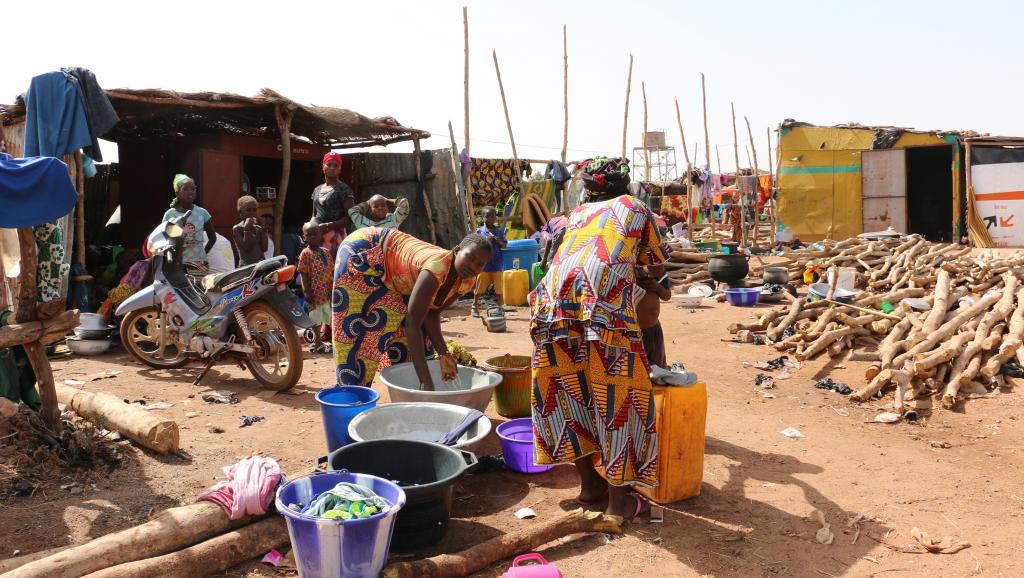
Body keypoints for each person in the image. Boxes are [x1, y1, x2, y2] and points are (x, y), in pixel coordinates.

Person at [529, 191, 669, 520]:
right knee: (620, 398)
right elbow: (656, 263)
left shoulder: (577, 213)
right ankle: (618, 504)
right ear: (626, 187)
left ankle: (591, 486)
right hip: (604, 308)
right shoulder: (635, 207)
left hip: (552, 305)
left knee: (569, 393)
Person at [331, 228, 491, 389]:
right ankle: (352, 396)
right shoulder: (435, 268)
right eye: (469, 257)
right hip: (367, 251)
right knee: (358, 331)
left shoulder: (466, 281)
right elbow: (412, 323)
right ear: (457, 251)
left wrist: (444, 354)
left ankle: (409, 388)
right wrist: (426, 382)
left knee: (412, 339)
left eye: (479, 264)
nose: (472, 266)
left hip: (396, 272)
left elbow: (432, 312)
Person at [163, 174, 216, 272]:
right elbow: (165, 239)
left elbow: (213, 238)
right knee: (180, 287)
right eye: (186, 189)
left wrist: (202, 254)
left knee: (199, 287)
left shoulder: (202, 212)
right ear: (177, 193)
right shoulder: (170, 214)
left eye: (193, 189)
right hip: (177, 263)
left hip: (199, 263)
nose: (190, 192)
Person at [297, 222, 334, 354]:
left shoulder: (325, 251)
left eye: (315, 234)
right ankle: (317, 342)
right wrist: (306, 291)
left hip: (327, 291)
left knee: (326, 315)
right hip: (315, 292)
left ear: (321, 235)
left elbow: (331, 270)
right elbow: (303, 273)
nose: (312, 236)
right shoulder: (305, 253)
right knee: (316, 318)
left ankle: (327, 341)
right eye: (309, 234)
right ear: (304, 237)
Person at [311, 151, 354, 257]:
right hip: (317, 236)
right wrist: (310, 228)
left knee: (333, 269)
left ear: (340, 169)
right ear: (323, 167)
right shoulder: (317, 190)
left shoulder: (344, 190)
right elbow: (314, 215)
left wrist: (326, 226)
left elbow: (350, 218)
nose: (332, 168)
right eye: (329, 164)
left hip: (335, 237)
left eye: (336, 165)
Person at [471, 206, 507, 317]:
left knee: (499, 288)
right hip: (484, 266)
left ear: (495, 218)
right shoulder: (480, 232)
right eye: (487, 216)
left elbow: (504, 245)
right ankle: (474, 306)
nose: (490, 218)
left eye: (492, 216)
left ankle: (500, 308)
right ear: (483, 218)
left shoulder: (498, 231)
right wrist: (487, 241)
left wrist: (497, 240)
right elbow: (477, 247)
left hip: (496, 265)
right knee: (480, 287)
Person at [635, 264, 671, 368]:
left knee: (657, 368)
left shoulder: (659, 273)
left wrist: (658, 287)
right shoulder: (627, 272)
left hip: (653, 330)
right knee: (638, 368)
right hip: (634, 332)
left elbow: (667, 296)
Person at [232, 196, 269, 266]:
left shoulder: (258, 228)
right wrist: (246, 230)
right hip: (246, 267)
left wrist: (264, 230)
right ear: (240, 212)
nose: (252, 213)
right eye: (248, 210)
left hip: (260, 265)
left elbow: (264, 248)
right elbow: (247, 247)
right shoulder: (237, 229)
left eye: (254, 210)